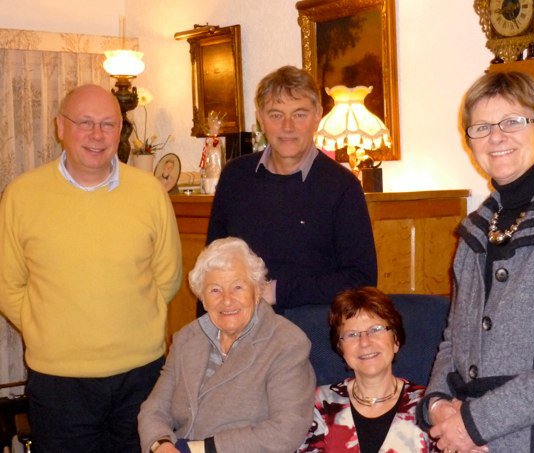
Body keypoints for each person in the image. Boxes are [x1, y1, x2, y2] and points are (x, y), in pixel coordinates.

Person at [416, 71, 534, 453]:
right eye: (481, 127)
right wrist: (437, 407)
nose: (496, 137)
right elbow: (453, 342)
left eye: (512, 121)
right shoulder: (473, 233)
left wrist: (475, 425)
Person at [0, 84, 183, 452]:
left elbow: (169, 276)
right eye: (85, 122)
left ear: (120, 130)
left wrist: (130, 325)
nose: (97, 135)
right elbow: (8, 285)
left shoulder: (149, 192)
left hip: (141, 376)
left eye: (108, 124)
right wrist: (49, 329)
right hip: (59, 382)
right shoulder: (22, 195)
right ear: (60, 127)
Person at [206, 65, 377, 310]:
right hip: (241, 331)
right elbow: (211, 267)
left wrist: (277, 291)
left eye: (299, 114)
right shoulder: (235, 177)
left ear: (317, 115)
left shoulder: (342, 187)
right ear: (260, 118)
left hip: (314, 333)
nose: (288, 127)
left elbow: (361, 279)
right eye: (276, 114)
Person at [138, 237, 316, 453]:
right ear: (202, 298)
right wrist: (160, 445)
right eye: (214, 290)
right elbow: (154, 409)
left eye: (238, 287)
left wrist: (199, 449)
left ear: (257, 290)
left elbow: (286, 431)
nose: (227, 300)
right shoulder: (187, 339)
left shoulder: (286, 343)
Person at [298, 287, 436, 452]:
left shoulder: (429, 405)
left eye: (375, 330)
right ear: (341, 348)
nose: (364, 342)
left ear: (396, 341)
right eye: (352, 334)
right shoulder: (319, 404)